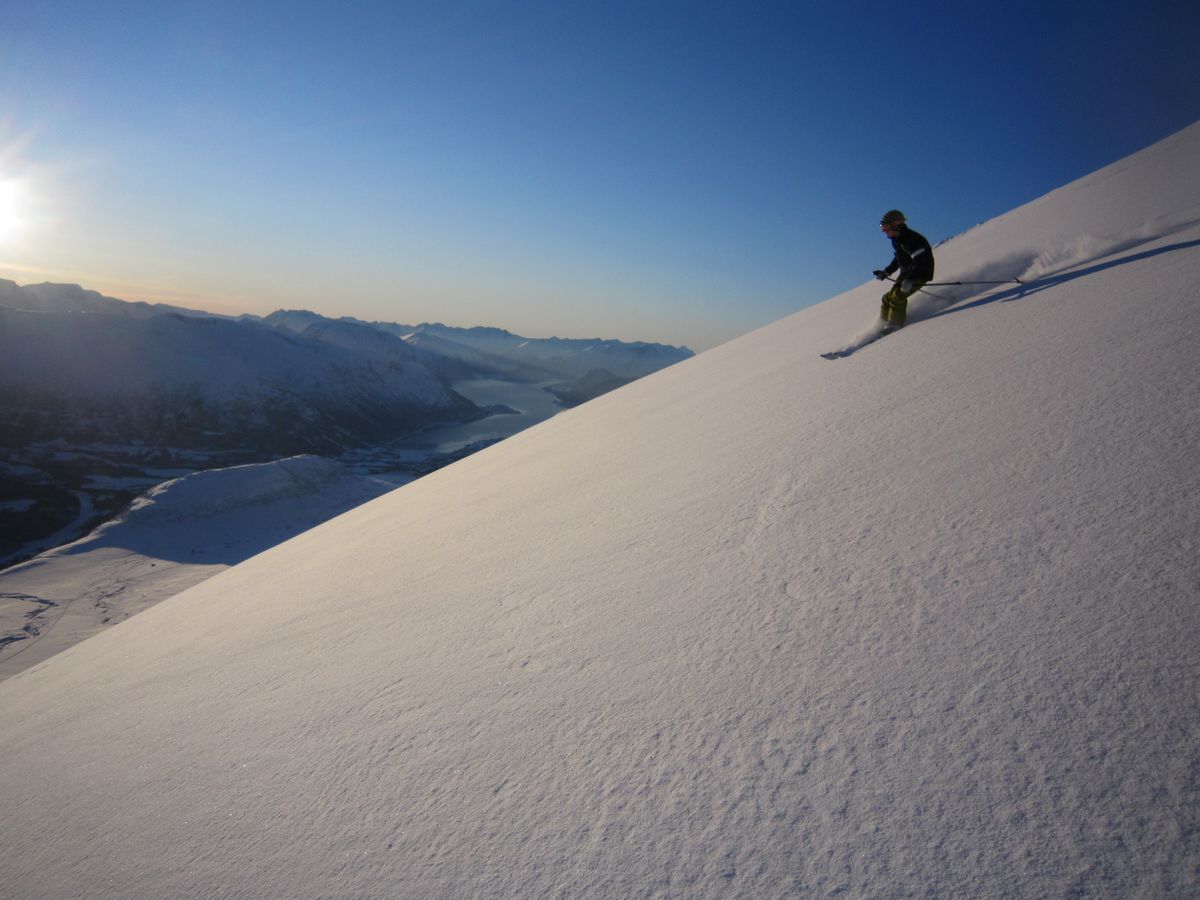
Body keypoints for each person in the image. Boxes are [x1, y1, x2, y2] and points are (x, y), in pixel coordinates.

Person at [872, 210, 934, 331]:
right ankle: (882, 325)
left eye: (885, 228)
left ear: (895, 225)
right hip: (906, 274)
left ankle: (895, 325)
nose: (883, 231)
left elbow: (922, 262)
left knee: (897, 297)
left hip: (920, 274)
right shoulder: (897, 239)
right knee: (887, 298)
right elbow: (899, 259)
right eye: (882, 228)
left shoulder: (911, 239)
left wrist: (911, 279)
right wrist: (886, 272)